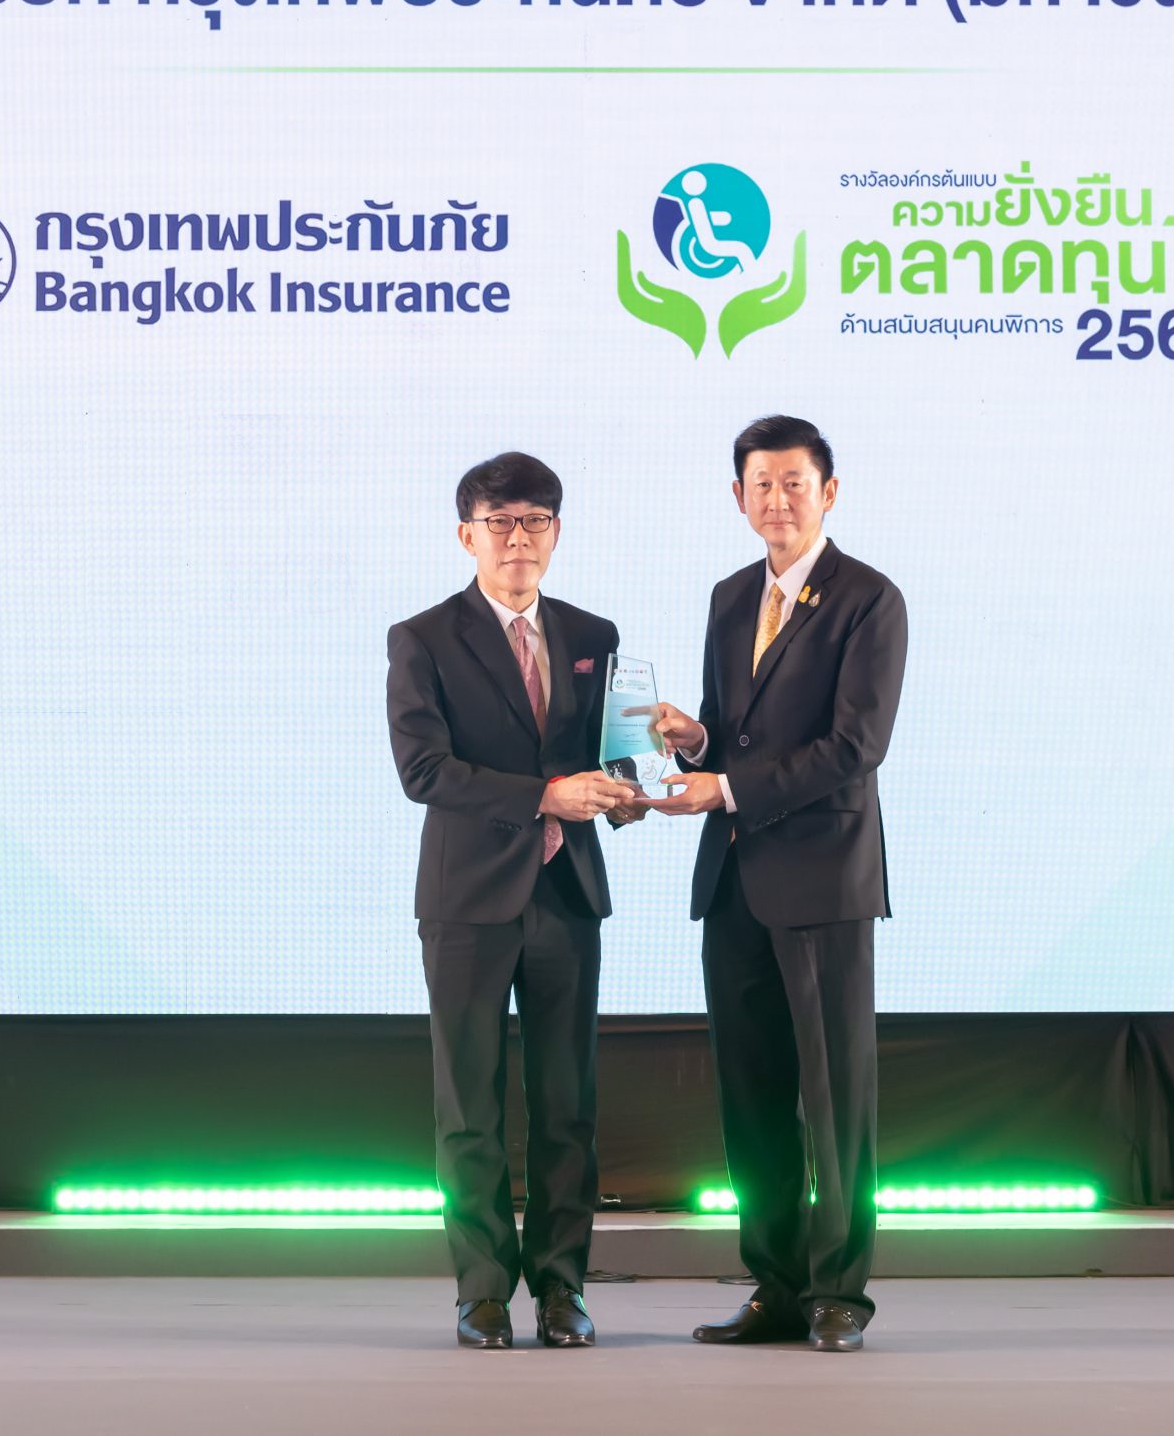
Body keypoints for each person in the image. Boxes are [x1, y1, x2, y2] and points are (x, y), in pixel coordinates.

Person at [645, 415, 908, 1353]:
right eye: (761, 483)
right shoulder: (729, 597)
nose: (778, 499)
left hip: (825, 879)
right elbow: (736, 731)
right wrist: (697, 742)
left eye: (795, 482)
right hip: (734, 880)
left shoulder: (869, 598)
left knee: (836, 1100)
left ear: (828, 492)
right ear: (739, 496)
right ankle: (777, 1286)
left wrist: (727, 785)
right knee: (750, 1095)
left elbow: (854, 746)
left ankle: (841, 1292)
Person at [386, 452, 642, 1351]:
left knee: (567, 1103)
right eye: (499, 522)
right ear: (468, 535)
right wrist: (545, 795)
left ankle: (563, 1287)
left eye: (535, 521)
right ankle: (484, 1289)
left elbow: (613, 757)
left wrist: (636, 783)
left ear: (556, 533)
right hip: (467, 900)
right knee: (471, 1105)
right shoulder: (422, 638)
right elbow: (424, 770)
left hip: (567, 894)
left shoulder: (594, 633)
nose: (517, 538)